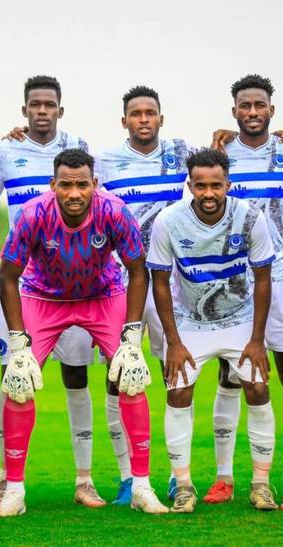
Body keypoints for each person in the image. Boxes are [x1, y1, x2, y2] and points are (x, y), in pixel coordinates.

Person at [0, 148, 167, 516]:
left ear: (95, 184)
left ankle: (141, 486)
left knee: (132, 377)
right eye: (66, 185)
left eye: (82, 185)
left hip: (102, 295)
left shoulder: (114, 211)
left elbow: (139, 271)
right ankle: (14, 490)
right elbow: (7, 277)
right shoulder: (32, 215)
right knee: (19, 380)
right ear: (52, 185)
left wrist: (132, 335)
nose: (74, 193)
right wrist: (18, 342)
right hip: (43, 296)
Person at [206, 74, 283, 504]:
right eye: (245, 105)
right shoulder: (221, 154)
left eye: (260, 105)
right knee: (231, 374)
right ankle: (224, 478)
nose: (253, 112)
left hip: (280, 276)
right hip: (233, 277)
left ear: (272, 110)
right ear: (234, 111)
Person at [0, 76, 108, 508]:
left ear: (60, 109)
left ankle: (84, 479)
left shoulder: (79, 147)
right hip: (24, 286)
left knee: (76, 376)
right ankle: (6, 478)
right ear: (24, 110)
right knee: (13, 376)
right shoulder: (3, 151)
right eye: (34, 104)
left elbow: (97, 204)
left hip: (74, 284)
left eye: (49, 104)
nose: (42, 111)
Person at [148, 148, 278, 512]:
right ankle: (184, 485)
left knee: (257, 387)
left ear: (228, 185)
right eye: (200, 185)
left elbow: (263, 278)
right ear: (189, 185)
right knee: (178, 391)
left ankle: (261, 484)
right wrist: (173, 342)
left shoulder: (250, 217)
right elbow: (160, 282)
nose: (208, 193)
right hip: (190, 322)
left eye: (215, 185)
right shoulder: (169, 221)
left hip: (239, 319)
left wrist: (257, 339)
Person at [93, 85, 191, 503]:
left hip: (169, 279)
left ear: (161, 118)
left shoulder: (180, 153)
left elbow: (225, 160)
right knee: (117, 375)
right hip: (120, 281)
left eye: (151, 113)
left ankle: (174, 473)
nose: (144, 119)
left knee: (175, 373)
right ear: (125, 121)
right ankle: (126, 477)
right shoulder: (105, 161)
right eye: (136, 114)